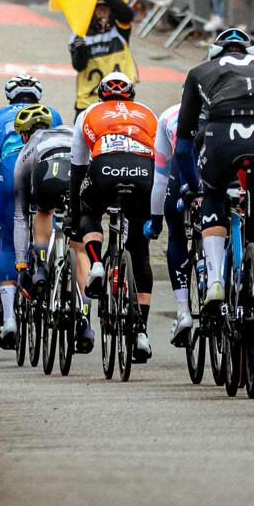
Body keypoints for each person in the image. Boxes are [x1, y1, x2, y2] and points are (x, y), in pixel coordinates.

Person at [171, 24, 254, 355]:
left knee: (214, 194)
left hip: (222, 135)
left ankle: (216, 282)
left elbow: (183, 146)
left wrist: (194, 187)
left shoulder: (199, 71)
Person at [69, 73, 158, 365]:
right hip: (145, 170)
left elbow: (78, 169)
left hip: (105, 167)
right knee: (139, 249)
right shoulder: (148, 112)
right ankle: (142, 332)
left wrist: (76, 213)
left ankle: (95, 262)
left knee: (90, 212)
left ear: (101, 96)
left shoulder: (88, 113)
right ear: (130, 96)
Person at [0, 76, 57, 346]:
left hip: (10, 173)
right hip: (47, 173)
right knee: (45, 222)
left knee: (9, 245)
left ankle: (9, 318)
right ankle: (48, 270)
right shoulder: (52, 113)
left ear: (10, 97)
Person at [12, 103, 88, 351]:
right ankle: (85, 316)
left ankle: (42, 265)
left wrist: (23, 265)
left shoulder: (28, 147)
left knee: (42, 210)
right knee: (80, 250)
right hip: (79, 174)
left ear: (24, 134)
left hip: (48, 173)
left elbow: (20, 216)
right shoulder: (67, 130)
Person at [149, 100, 196, 348]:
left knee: (176, 235)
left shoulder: (169, 114)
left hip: (183, 166)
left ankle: (183, 312)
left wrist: (156, 221)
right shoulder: (233, 103)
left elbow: (160, 176)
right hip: (221, 159)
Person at [67, 0, 135, 111]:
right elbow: (78, 66)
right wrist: (81, 51)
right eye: (98, 9)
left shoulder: (119, 30)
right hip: (88, 103)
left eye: (106, 9)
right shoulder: (79, 34)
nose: (102, 13)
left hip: (119, 99)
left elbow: (128, 15)